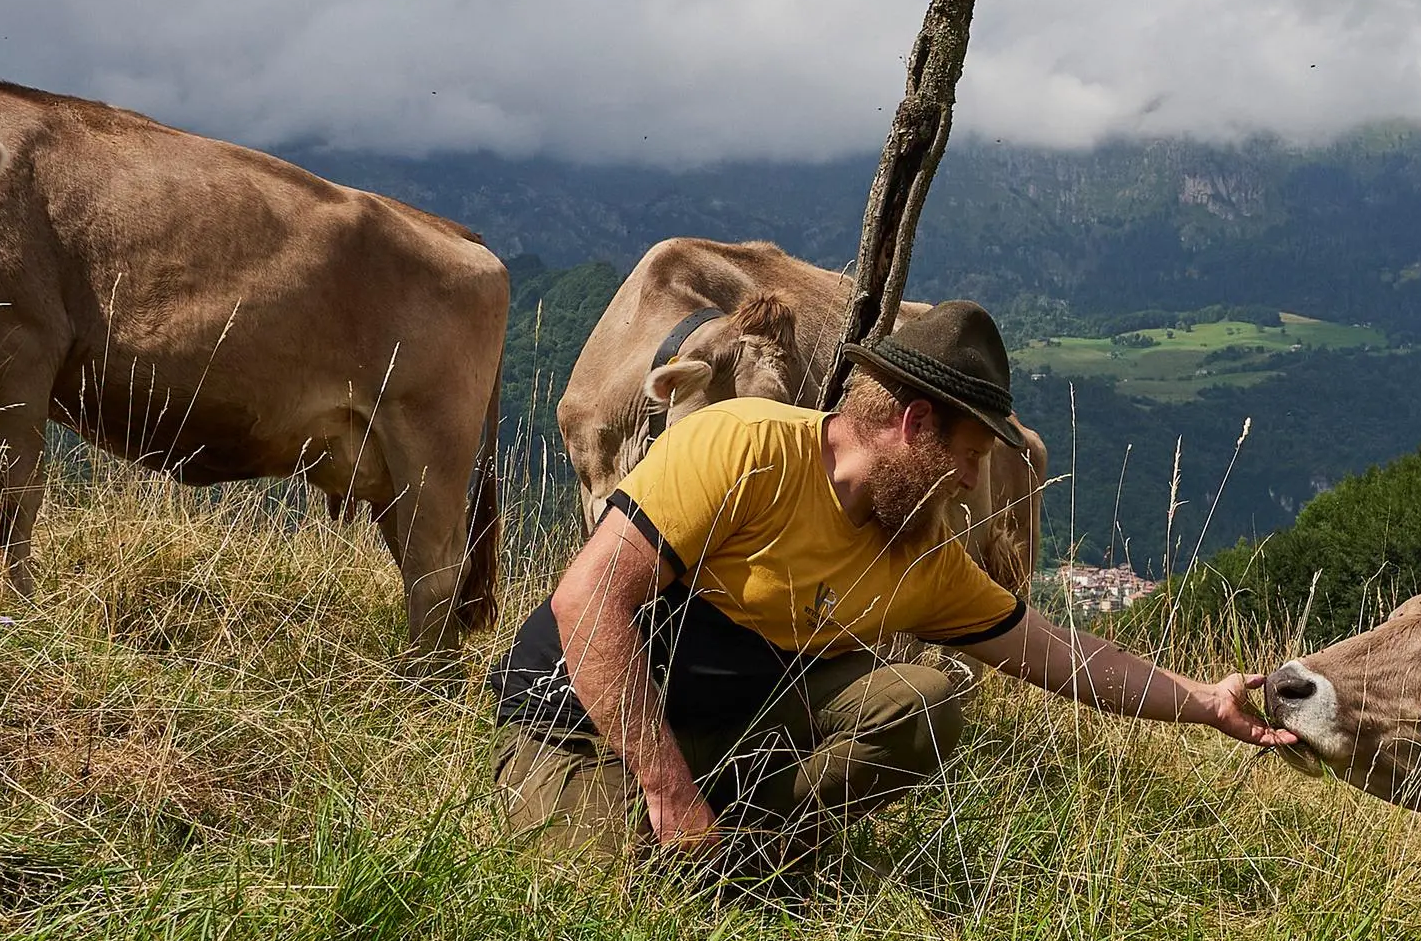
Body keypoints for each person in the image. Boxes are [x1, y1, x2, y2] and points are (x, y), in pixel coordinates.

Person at [490, 299, 1295, 874]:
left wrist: (1202, 699)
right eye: (971, 453)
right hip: (582, 719)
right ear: (913, 426)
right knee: (590, 904)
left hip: (724, 727)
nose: (977, 480)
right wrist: (666, 791)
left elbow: (1064, 654)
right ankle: (680, 831)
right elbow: (586, 602)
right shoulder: (742, 448)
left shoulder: (919, 553)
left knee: (922, 700)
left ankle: (751, 856)